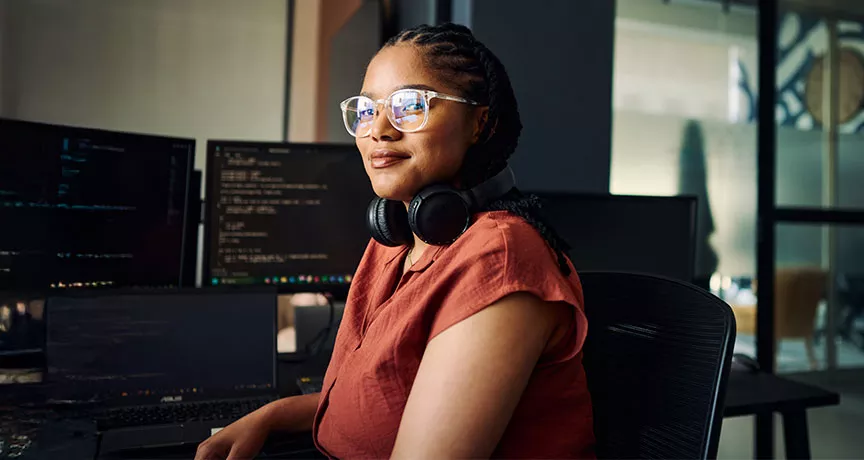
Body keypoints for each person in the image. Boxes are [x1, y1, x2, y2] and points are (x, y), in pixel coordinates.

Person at [196, 23, 595, 459]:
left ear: (479, 122)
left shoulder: (499, 259)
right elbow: (379, 403)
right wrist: (273, 415)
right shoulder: (398, 237)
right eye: (366, 109)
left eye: (410, 105)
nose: (378, 129)